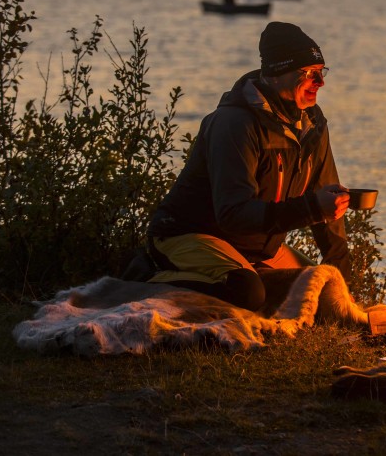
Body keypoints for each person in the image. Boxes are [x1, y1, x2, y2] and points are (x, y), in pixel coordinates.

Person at [140, 21, 352, 311]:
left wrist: (340, 272)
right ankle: (148, 279)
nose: (321, 82)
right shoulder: (235, 124)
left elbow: (327, 193)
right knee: (247, 293)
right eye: (310, 74)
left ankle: (253, 275)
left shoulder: (312, 124)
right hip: (191, 235)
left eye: (321, 72)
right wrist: (312, 209)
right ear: (277, 73)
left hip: (255, 250)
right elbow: (233, 214)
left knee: (323, 293)